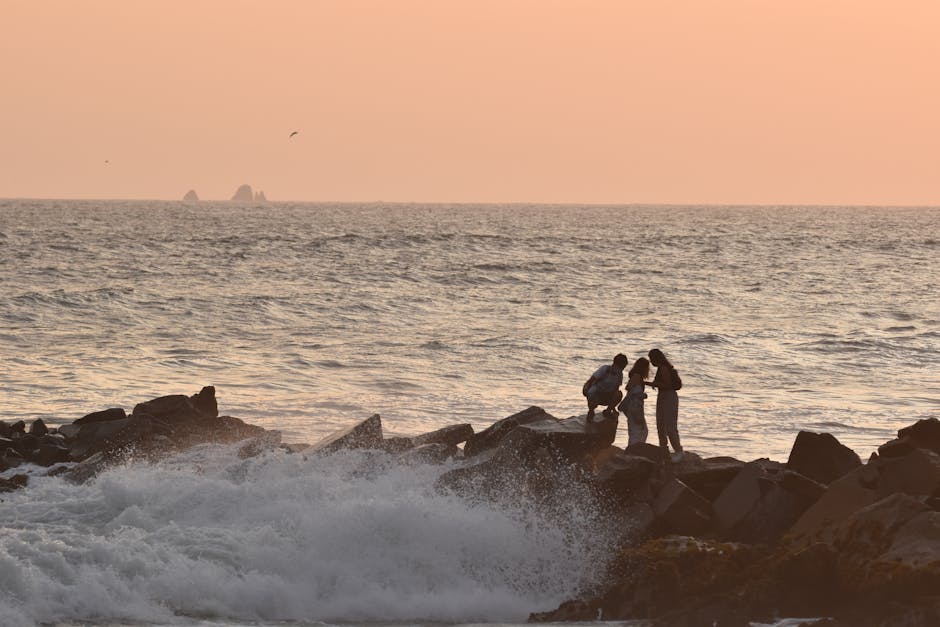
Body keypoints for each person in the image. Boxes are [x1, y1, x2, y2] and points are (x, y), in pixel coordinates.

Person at [648, 348, 683, 460]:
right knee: (661, 425)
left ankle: (678, 451)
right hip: (663, 396)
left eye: (651, 358)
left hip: (668, 396)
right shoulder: (661, 368)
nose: (650, 361)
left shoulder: (663, 368)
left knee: (669, 426)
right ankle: (664, 450)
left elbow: (667, 385)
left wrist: (649, 383)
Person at [582, 353, 627, 423]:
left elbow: (616, 388)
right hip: (597, 394)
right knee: (592, 391)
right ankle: (591, 411)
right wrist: (586, 390)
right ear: (615, 364)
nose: (620, 370)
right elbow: (591, 380)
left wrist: (613, 408)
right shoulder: (605, 369)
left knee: (619, 394)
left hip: (608, 396)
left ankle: (608, 411)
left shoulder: (619, 374)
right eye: (620, 368)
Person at [618, 357, 650, 446]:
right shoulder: (636, 376)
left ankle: (634, 447)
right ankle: (634, 448)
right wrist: (641, 395)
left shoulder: (637, 377)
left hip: (635, 406)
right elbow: (628, 387)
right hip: (634, 406)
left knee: (638, 429)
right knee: (639, 429)